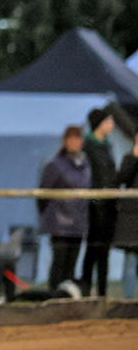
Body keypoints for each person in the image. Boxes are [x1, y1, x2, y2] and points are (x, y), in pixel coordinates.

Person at [38, 126, 91, 291]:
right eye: (72, 139)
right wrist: (50, 215)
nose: (75, 143)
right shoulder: (55, 164)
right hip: (59, 223)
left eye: (78, 139)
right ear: (65, 141)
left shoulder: (84, 164)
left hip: (79, 222)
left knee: (71, 266)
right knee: (59, 264)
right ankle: (53, 298)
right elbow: (42, 194)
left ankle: (67, 300)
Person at [80, 106, 116, 296]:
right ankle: (86, 290)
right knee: (92, 249)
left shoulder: (108, 146)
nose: (111, 125)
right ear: (98, 124)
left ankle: (102, 292)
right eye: (108, 121)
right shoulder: (88, 146)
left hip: (109, 204)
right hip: (94, 206)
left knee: (104, 251)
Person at [112, 134, 138, 299]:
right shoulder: (129, 158)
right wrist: (135, 157)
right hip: (131, 221)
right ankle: (129, 305)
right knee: (130, 264)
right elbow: (122, 178)